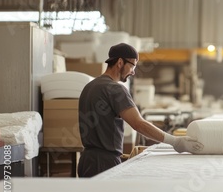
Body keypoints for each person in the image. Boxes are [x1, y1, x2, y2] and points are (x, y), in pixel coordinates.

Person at [77, 43, 203, 177]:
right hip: (104, 163)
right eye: (132, 65)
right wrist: (174, 141)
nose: (133, 71)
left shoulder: (89, 87)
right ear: (120, 62)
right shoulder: (115, 89)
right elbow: (138, 123)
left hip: (86, 161)